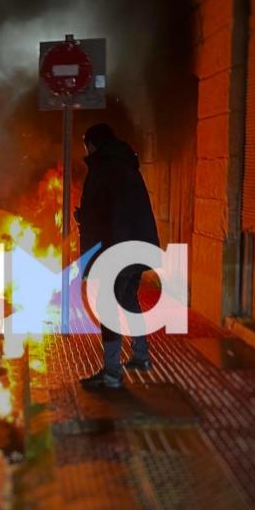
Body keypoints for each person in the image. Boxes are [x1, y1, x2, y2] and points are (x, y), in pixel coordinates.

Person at [76, 123, 159, 389]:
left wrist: (83, 220)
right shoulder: (127, 164)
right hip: (138, 246)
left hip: (116, 249)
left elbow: (98, 216)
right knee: (129, 301)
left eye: (86, 145)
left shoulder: (102, 169)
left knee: (108, 308)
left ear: (93, 144)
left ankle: (112, 374)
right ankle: (141, 357)